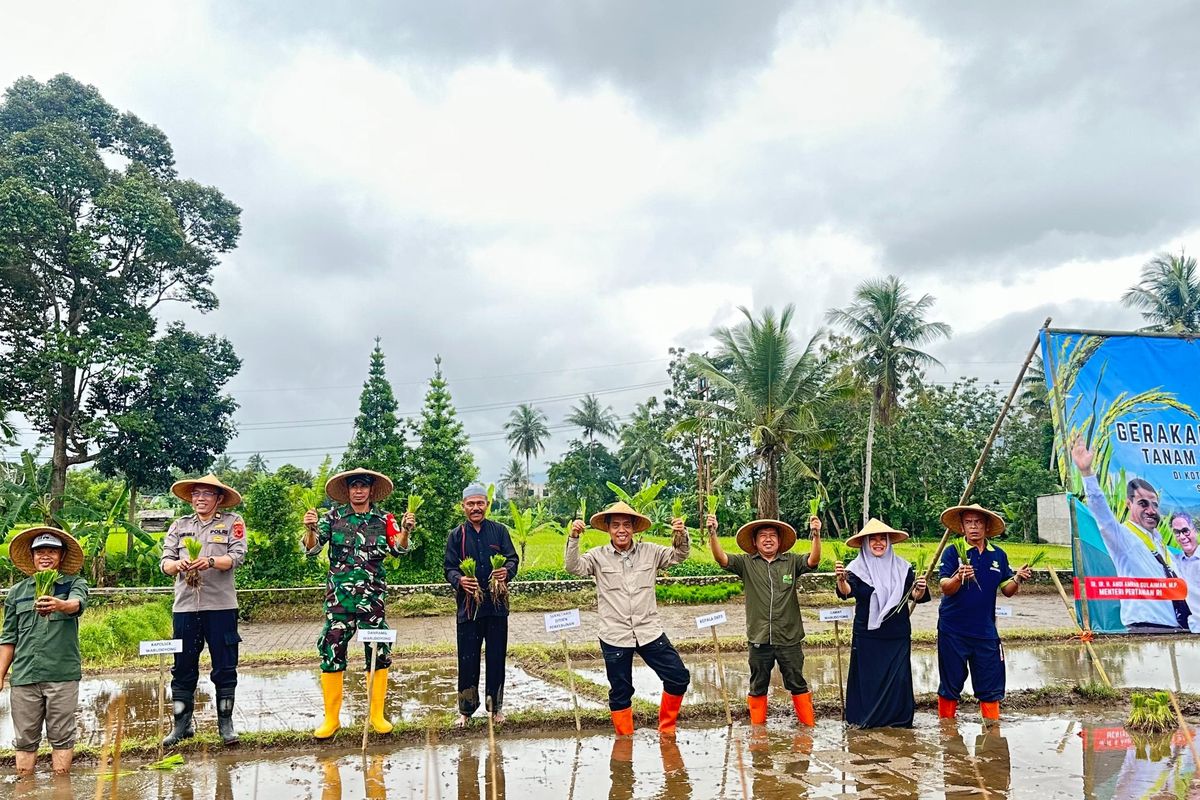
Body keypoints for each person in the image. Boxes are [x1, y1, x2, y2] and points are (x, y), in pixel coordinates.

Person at [303, 467, 415, 739]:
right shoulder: (333, 517)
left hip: (372, 599)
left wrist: (406, 531)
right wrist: (310, 529)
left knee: (378, 652)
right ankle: (331, 719)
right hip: (339, 599)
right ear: (348, 490)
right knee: (331, 650)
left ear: (371, 490)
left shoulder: (384, 518)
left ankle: (376, 715)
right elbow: (312, 548)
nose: (358, 490)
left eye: (363, 486)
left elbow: (398, 548)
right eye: (354, 486)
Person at [565, 500, 690, 736]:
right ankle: (625, 739)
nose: (621, 530)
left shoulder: (651, 552)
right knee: (621, 691)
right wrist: (573, 538)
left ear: (634, 528)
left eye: (626, 525)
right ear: (608, 529)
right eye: (615, 525)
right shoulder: (597, 557)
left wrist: (681, 533)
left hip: (649, 630)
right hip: (614, 634)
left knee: (678, 677)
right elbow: (573, 567)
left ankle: (667, 730)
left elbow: (679, 555)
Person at [709, 513, 821, 726]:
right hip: (759, 638)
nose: (768, 539)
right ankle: (758, 730)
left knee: (797, 682)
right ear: (754, 541)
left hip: (789, 637)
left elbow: (813, 560)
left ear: (780, 541)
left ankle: (808, 728)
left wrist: (816, 535)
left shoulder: (792, 562)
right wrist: (713, 533)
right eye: (763, 535)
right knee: (758, 684)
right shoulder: (746, 563)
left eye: (772, 535)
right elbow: (721, 558)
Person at [160, 473, 248, 746]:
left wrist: (209, 561)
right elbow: (165, 562)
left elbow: (237, 557)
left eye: (207, 494)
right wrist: (178, 566)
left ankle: (226, 724)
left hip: (221, 605)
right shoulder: (179, 525)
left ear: (219, 498)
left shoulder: (233, 523)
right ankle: (181, 725)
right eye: (196, 494)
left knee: (224, 665)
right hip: (185, 606)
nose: (200, 498)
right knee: (182, 666)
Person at [1072, 437, 1189, 630]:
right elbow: (1102, 514)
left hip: (1177, 627)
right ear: (1129, 504)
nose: (1151, 510)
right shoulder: (1122, 536)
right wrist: (1087, 473)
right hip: (1147, 628)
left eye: (1155, 505)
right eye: (1143, 503)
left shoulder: (1161, 544)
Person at [0, 527, 88, 776]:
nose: (46, 556)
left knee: (61, 737)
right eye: (40, 551)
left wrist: (60, 604)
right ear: (32, 556)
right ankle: (25, 785)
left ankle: (61, 787)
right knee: (25, 739)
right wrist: (0, 674)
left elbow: (76, 604)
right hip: (25, 676)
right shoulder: (17, 593)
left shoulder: (73, 584)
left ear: (60, 556)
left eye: (52, 551)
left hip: (61, 675)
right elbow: (8, 638)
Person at [936, 503, 1032, 723]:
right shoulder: (953, 552)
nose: (973, 527)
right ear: (961, 526)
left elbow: (1007, 590)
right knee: (951, 682)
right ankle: (947, 731)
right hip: (953, 629)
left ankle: (992, 732)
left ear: (987, 526)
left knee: (990, 684)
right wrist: (959, 577)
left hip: (985, 630)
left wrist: (1017, 578)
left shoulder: (998, 555)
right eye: (968, 522)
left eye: (978, 522)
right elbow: (945, 588)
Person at [834, 518, 929, 728]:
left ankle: (898, 721)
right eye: (873, 540)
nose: (878, 543)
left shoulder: (903, 568)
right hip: (868, 634)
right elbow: (848, 592)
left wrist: (920, 588)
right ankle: (866, 719)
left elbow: (914, 595)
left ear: (889, 542)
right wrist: (841, 580)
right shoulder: (856, 568)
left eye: (882, 539)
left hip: (897, 634)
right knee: (868, 679)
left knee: (898, 679)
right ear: (865, 544)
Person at [444, 482, 518, 728]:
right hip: (468, 608)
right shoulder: (456, 535)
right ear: (463, 506)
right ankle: (466, 711)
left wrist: (506, 572)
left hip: (496, 607)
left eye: (480, 503)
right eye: (470, 504)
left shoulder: (499, 531)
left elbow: (512, 559)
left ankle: (495, 708)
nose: (476, 508)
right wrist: (459, 580)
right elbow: (449, 568)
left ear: (487, 505)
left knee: (497, 657)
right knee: (467, 659)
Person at [1169, 512, 1200, 633]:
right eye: (1177, 532)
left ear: (1196, 530)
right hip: (1190, 629)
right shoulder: (1174, 561)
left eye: (1185, 531)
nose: (1182, 537)